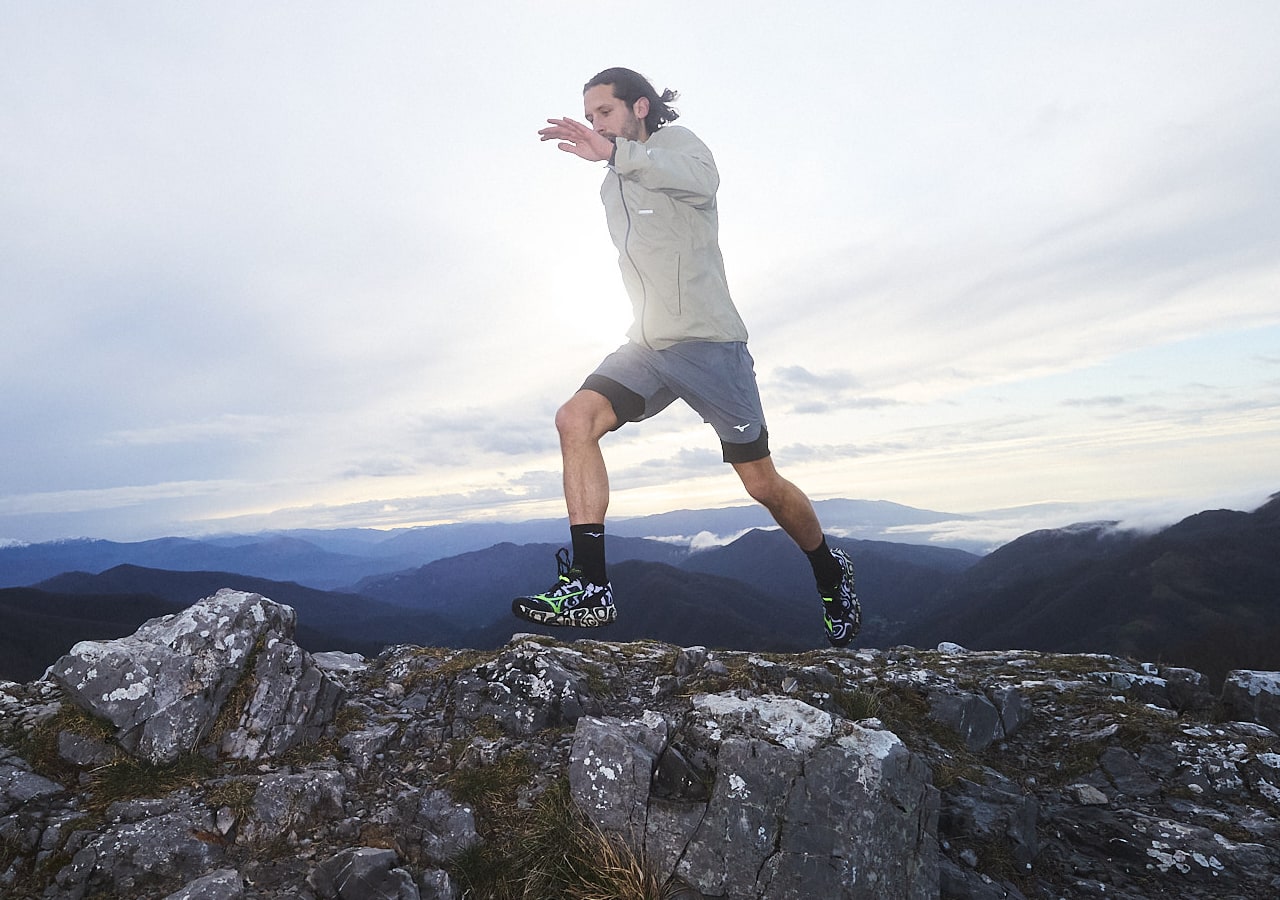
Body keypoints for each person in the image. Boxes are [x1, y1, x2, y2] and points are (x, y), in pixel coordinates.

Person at [512, 67, 860, 647]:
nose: (596, 124)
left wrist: (617, 154)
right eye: (591, 115)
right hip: (646, 344)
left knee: (761, 484)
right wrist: (612, 160)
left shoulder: (679, 148)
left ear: (640, 107)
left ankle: (829, 571)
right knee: (574, 418)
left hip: (709, 343)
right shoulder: (611, 183)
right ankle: (592, 588)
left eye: (605, 112)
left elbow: (702, 186)